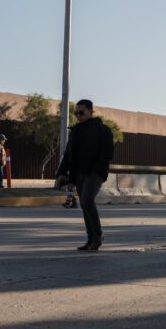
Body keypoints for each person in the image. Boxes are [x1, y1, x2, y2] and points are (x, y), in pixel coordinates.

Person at [56, 98, 114, 251]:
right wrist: (61, 173)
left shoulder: (103, 130)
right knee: (84, 204)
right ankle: (90, 240)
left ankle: (98, 235)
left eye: (81, 112)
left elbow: (107, 153)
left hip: (95, 173)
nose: (78, 115)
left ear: (90, 111)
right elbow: (68, 154)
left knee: (87, 200)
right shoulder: (76, 131)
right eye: (76, 113)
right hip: (79, 173)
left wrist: (98, 170)